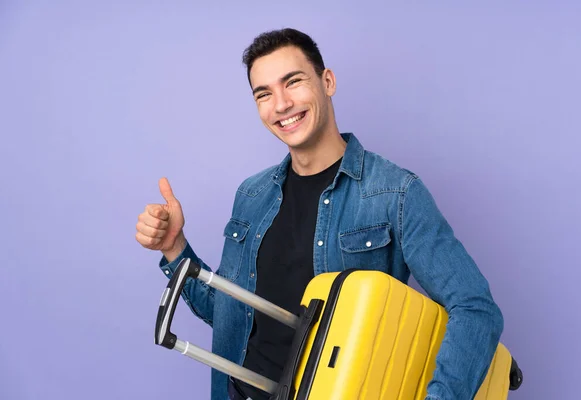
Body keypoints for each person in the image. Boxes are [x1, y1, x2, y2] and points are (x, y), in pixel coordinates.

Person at [135, 28, 504, 400]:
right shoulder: (252, 195)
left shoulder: (396, 193)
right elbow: (234, 318)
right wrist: (174, 248)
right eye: (264, 94)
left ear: (327, 82)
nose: (280, 104)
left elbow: (475, 308)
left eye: (292, 82)